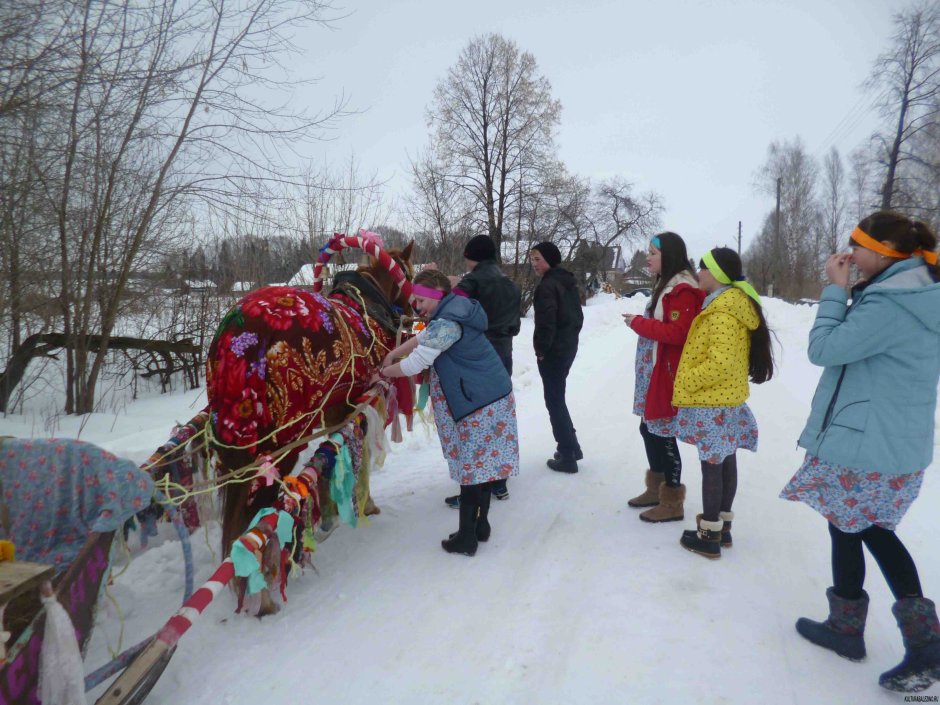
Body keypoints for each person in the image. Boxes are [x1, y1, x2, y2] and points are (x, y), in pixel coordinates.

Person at [779, 211, 940, 693]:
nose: (848, 255)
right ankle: (845, 627)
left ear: (885, 250)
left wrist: (835, 290)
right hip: (884, 441)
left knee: (869, 530)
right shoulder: (913, 293)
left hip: (870, 446)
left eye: (856, 246)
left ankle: (928, 646)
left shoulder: (891, 302)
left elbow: (825, 348)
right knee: (847, 525)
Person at [379, 269, 520, 557]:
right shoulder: (449, 311)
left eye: (420, 300)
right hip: (486, 395)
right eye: (414, 299)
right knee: (482, 467)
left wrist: (383, 373)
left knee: (473, 469)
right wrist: (394, 353)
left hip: (479, 403)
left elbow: (416, 363)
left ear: (435, 296)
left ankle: (467, 537)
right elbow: (422, 338)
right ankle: (480, 525)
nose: (416, 305)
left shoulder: (448, 322)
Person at [672, 247, 774, 559]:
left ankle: (709, 535)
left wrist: (687, 379)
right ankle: (722, 529)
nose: (698, 273)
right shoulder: (730, 304)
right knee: (725, 460)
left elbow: (722, 363)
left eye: (702, 269)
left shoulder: (722, 311)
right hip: (726, 401)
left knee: (712, 467)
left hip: (713, 403)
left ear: (715, 274)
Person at [622, 232, 704, 522]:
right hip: (654, 371)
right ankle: (656, 489)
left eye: (653, 253)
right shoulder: (665, 285)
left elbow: (678, 334)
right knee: (649, 429)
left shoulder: (682, 289)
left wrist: (639, 324)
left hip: (667, 374)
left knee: (664, 434)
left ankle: (672, 501)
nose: (647, 258)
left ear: (667, 256)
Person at [442, 234, 521, 506]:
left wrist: (443, 286)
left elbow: (448, 311)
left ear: (472, 256)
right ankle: (499, 483)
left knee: (475, 424)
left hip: (476, 360)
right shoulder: (510, 283)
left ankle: (475, 492)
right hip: (504, 355)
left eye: (466, 256)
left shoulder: (472, 282)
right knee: (497, 419)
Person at [530, 241, 583, 473]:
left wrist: (542, 350)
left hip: (553, 352)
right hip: (568, 348)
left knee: (554, 401)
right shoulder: (567, 282)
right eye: (532, 259)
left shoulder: (548, 286)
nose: (534, 264)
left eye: (538, 259)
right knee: (557, 398)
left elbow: (546, 323)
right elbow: (577, 319)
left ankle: (567, 455)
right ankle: (573, 446)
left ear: (550, 260)